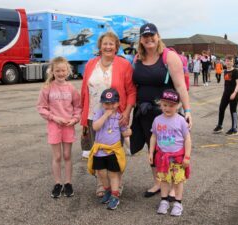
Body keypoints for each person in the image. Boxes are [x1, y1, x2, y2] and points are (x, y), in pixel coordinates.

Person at [130, 23, 192, 198]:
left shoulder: (169, 57)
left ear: (158, 36)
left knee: (170, 149)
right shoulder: (137, 59)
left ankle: (173, 186)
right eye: (145, 36)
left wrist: (187, 110)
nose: (149, 39)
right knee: (152, 149)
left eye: (152, 35)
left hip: (166, 112)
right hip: (144, 112)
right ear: (141, 39)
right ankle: (158, 182)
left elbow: (180, 85)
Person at [80, 31, 136, 197]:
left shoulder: (123, 64)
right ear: (100, 46)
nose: (108, 46)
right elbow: (84, 91)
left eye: (111, 44)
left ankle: (117, 184)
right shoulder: (91, 64)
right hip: (93, 116)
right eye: (105, 43)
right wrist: (83, 117)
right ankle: (101, 184)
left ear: (116, 47)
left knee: (114, 153)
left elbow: (131, 91)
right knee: (97, 151)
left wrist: (126, 113)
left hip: (115, 117)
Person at [37, 56, 81, 198]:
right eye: (57, 71)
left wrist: (75, 119)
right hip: (54, 126)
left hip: (68, 126)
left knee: (67, 155)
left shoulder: (72, 88)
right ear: (52, 72)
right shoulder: (47, 88)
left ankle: (68, 183)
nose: (61, 73)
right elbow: (41, 108)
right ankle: (58, 183)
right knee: (57, 156)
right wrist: (54, 118)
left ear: (68, 71)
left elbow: (78, 107)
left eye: (63, 70)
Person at [148, 89, 191, 216]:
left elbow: (187, 139)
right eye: (164, 105)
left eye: (171, 105)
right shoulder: (157, 120)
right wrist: (151, 153)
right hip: (162, 158)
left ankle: (178, 203)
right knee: (164, 181)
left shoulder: (181, 120)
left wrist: (187, 156)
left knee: (178, 182)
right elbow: (153, 137)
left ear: (178, 106)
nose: (167, 108)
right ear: (160, 104)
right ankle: (164, 201)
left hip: (178, 158)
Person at [87, 88, 132, 210]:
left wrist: (130, 132)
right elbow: (95, 127)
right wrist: (105, 115)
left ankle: (115, 195)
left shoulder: (119, 117)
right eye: (107, 103)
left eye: (113, 103)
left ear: (117, 103)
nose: (110, 106)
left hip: (113, 151)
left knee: (113, 174)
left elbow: (124, 133)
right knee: (101, 173)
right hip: (100, 150)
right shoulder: (99, 113)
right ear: (102, 103)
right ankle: (107, 191)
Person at [213, 55, 238, 135]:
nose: (228, 62)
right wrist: (225, 92)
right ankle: (220, 126)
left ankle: (234, 129)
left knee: (233, 111)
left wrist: (234, 93)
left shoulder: (235, 71)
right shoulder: (225, 71)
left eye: (230, 61)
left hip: (233, 94)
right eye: (227, 61)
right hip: (226, 94)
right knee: (221, 108)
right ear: (225, 62)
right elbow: (227, 83)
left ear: (233, 62)